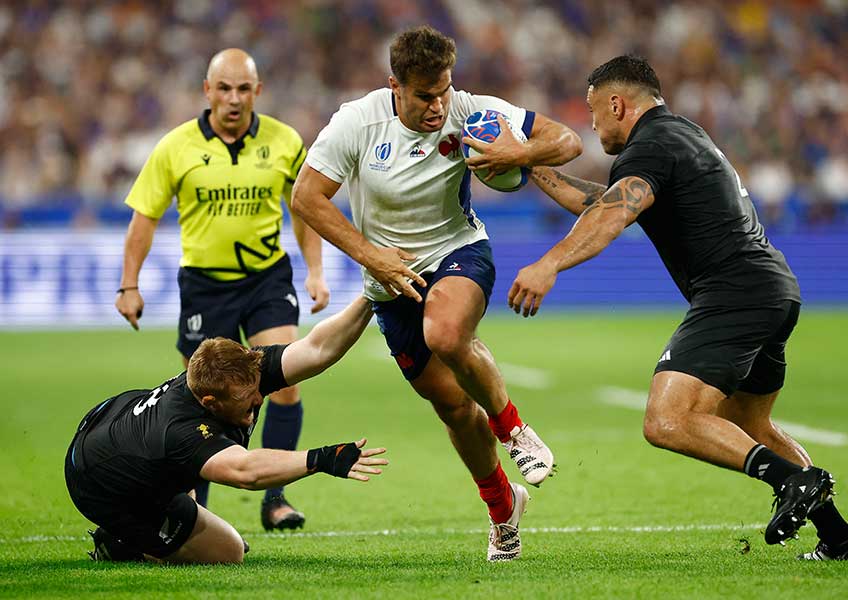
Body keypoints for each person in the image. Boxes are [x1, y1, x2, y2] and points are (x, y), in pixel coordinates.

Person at [508, 55, 848, 561]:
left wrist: (548, 264)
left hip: (735, 292)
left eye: (594, 114)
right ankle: (840, 538)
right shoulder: (680, 135)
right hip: (771, 288)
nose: (592, 126)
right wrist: (530, 163)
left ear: (617, 104)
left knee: (667, 419)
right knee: (751, 426)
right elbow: (604, 203)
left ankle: (795, 479)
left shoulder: (653, 144)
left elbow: (613, 216)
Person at [291, 26, 582, 561]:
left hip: (459, 249)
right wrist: (369, 255)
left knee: (447, 334)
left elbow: (568, 141)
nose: (437, 104)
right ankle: (502, 508)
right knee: (452, 408)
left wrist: (515, 153)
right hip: (389, 277)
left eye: (444, 89)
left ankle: (516, 430)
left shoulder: (467, 110)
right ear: (395, 86)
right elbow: (306, 197)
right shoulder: (357, 121)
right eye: (425, 94)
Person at [114, 48, 331, 530]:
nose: (234, 98)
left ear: (258, 91)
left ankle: (275, 498)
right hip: (205, 286)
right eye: (224, 88)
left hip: (266, 279)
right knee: (200, 397)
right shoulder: (175, 146)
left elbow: (305, 209)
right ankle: (199, 512)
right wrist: (129, 283)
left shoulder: (284, 141)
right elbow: (144, 218)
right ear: (207, 90)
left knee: (285, 382)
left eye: (243, 89)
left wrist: (315, 270)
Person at [66, 297, 385, 565]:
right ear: (210, 402)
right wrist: (323, 458)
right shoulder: (183, 431)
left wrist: (371, 295)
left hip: (119, 426)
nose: (260, 399)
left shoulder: (245, 372)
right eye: (247, 400)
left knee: (182, 482)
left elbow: (318, 349)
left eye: (258, 389)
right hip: (100, 481)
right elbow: (246, 472)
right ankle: (117, 541)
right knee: (229, 551)